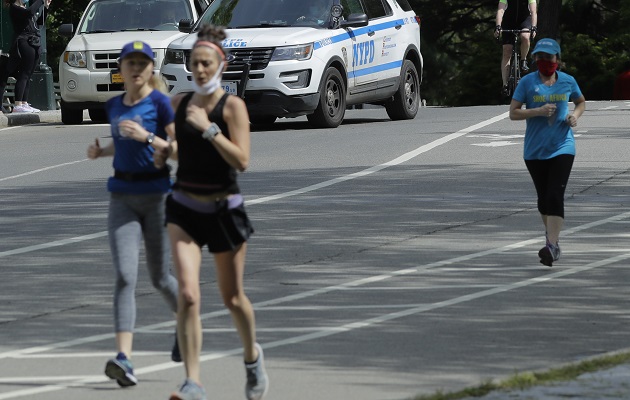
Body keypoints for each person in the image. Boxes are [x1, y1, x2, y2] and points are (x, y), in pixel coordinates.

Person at [164, 24, 268, 400]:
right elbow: (175, 150)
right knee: (189, 295)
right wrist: (163, 149)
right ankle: (193, 383)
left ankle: (252, 358)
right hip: (184, 208)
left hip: (224, 209)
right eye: (195, 64)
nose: (201, 70)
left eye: (207, 63)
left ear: (220, 65)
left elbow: (242, 161)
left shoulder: (233, 107)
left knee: (233, 298)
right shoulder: (178, 104)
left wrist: (209, 130)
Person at [86, 40, 181, 387]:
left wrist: (147, 137)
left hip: (156, 195)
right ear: (121, 69)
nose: (137, 68)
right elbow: (119, 142)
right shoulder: (113, 106)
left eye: (143, 63)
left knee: (158, 277)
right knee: (125, 276)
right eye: (131, 63)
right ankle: (124, 359)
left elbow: (176, 150)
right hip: (122, 197)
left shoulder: (160, 104)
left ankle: (185, 321)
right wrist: (101, 151)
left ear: (151, 69)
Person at [509, 38, 586, 267]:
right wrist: (537, 111)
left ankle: (551, 246)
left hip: (563, 146)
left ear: (557, 60)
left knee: (554, 195)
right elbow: (513, 113)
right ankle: (552, 238)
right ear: (534, 59)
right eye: (540, 57)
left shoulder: (568, 81)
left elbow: (581, 102)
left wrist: (575, 116)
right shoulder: (527, 82)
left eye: (548, 57)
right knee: (543, 200)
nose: (544, 61)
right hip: (534, 150)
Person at [0, 0, 51, 113]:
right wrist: (40, 1)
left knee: (28, 74)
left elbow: (38, 23)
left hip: (34, 41)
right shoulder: (15, 8)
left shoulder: (24, 8)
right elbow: (30, 12)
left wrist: (46, 8)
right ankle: (18, 104)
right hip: (24, 41)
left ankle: (24, 102)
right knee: (24, 73)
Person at [494, 0, 537, 96]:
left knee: (525, 37)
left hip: (524, 20)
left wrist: (533, 27)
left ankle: (523, 60)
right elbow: (500, 10)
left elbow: (534, 12)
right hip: (508, 21)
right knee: (507, 51)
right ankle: (505, 85)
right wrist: (498, 26)